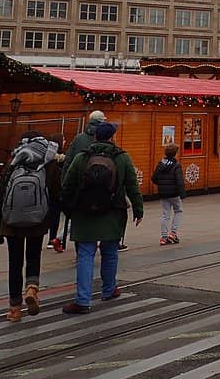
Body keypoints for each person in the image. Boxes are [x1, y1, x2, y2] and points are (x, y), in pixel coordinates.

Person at [61, 120, 143, 313]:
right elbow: (132, 185)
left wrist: (68, 208)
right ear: (112, 137)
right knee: (110, 252)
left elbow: (68, 184)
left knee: (85, 255)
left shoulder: (82, 157)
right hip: (113, 212)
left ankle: (82, 300)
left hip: (84, 212)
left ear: (95, 137)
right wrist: (138, 210)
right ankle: (109, 289)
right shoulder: (122, 158)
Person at [0, 132, 61, 322]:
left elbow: (1, 192)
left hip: (11, 222)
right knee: (33, 256)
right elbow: (57, 194)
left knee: (15, 263)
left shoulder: (15, 160)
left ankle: (15, 308)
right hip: (37, 221)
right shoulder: (49, 163)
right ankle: (32, 288)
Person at [151, 143, 185, 245]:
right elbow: (179, 181)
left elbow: (154, 178)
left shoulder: (160, 164)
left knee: (165, 214)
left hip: (163, 193)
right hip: (174, 193)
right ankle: (173, 233)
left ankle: (164, 237)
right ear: (175, 154)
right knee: (178, 210)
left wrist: (161, 185)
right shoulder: (176, 165)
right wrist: (182, 193)